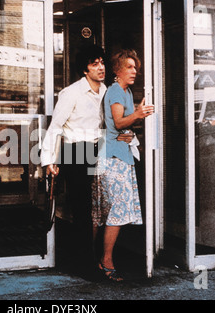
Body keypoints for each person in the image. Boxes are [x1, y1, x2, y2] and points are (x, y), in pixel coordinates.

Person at [40, 45, 107, 280]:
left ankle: (88, 258)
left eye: (101, 62)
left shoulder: (104, 90)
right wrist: (49, 159)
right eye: (94, 63)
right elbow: (56, 126)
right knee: (82, 209)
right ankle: (84, 264)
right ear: (84, 69)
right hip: (75, 151)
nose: (100, 67)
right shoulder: (71, 93)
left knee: (93, 208)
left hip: (95, 150)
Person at [91, 49, 154, 282]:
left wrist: (129, 130)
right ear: (117, 71)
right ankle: (105, 260)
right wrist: (137, 114)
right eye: (130, 67)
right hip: (112, 160)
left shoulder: (125, 92)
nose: (135, 71)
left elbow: (120, 128)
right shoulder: (116, 91)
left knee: (107, 212)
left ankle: (97, 259)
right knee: (114, 212)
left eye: (135, 68)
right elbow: (118, 122)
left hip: (120, 157)